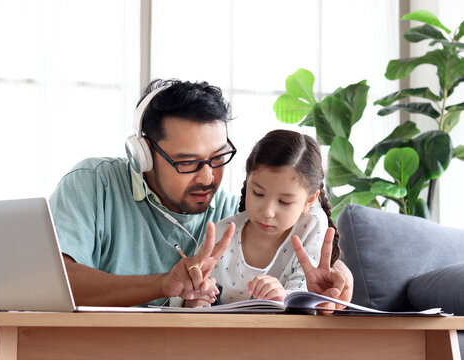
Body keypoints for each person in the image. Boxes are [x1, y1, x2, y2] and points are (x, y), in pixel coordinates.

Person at [49, 79, 353, 308]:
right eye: (187, 162)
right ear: (144, 154)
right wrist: (165, 284)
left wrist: (337, 276)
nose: (208, 177)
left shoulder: (226, 210)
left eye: (218, 158)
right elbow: (57, 280)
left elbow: (289, 250)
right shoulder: (93, 184)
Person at [182, 130, 340, 307]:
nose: (267, 212)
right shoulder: (222, 234)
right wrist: (193, 300)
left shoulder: (310, 225)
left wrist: (284, 297)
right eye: (258, 193)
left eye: (284, 202)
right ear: (247, 180)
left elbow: (307, 292)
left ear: (309, 201)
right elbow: (188, 292)